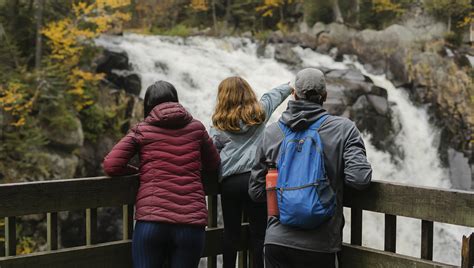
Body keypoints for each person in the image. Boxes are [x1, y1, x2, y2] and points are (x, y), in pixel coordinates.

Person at [249, 68, 372, 268]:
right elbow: (359, 179)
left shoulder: (271, 133)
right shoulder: (344, 129)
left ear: (294, 94)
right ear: (324, 96)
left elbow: (255, 192)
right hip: (320, 244)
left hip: (277, 242)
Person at [103, 81, 220, 268]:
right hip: (191, 223)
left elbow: (111, 165)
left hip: (152, 221)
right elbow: (213, 164)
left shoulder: (142, 130)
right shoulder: (197, 128)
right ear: (175, 100)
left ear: (148, 104)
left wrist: (139, 172)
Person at [211, 76, 292, 268]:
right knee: (259, 234)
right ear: (248, 94)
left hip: (230, 183)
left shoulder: (219, 123)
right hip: (255, 180)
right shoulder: (259, 114)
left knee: (231, 234)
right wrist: (289, 88)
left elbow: (213, 149)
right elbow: (272, 97)